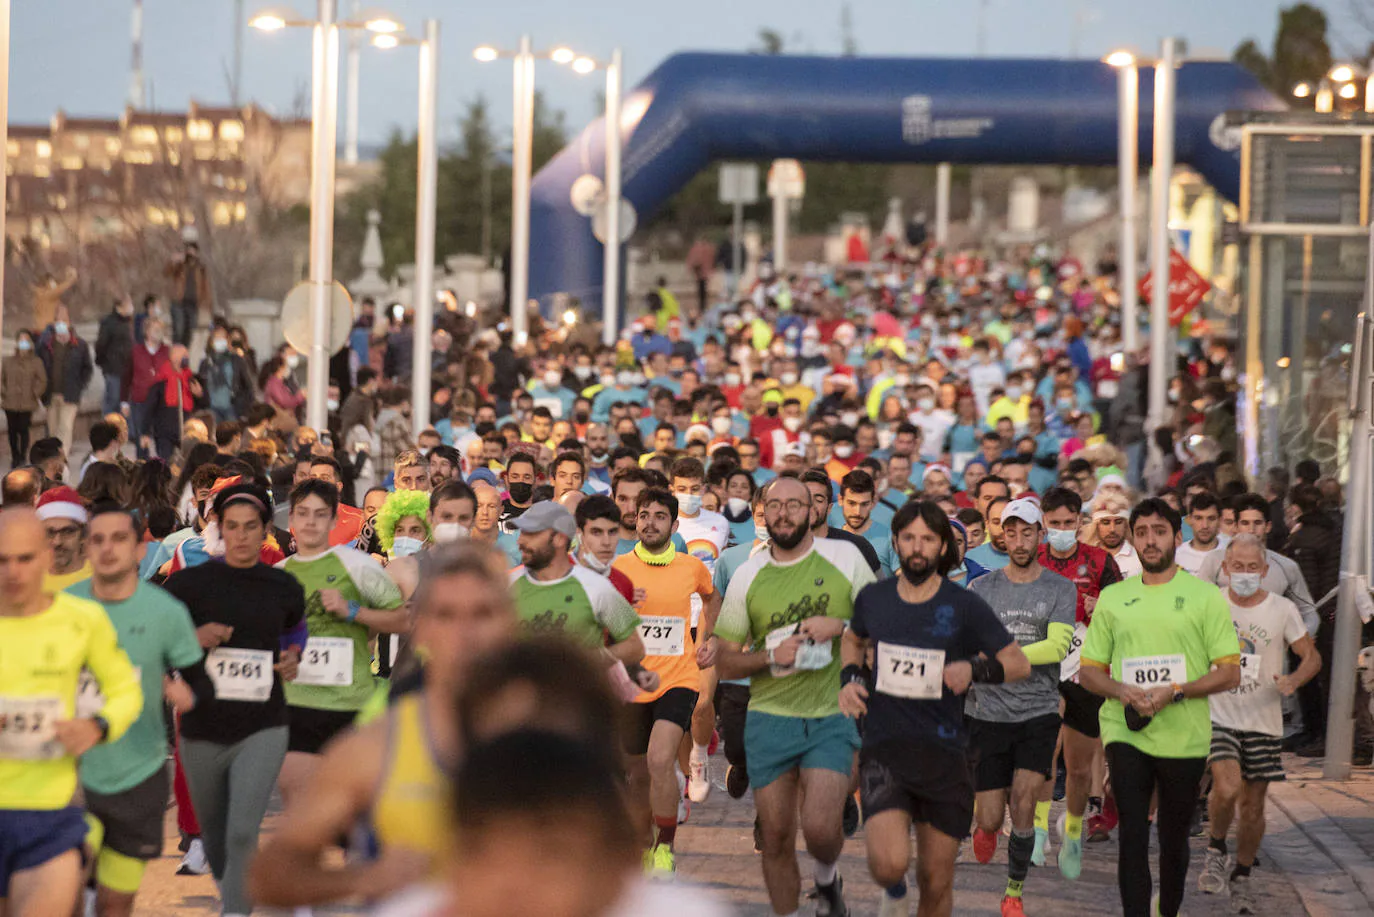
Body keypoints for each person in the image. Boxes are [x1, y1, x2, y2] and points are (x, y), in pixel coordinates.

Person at [249, 543, 520, 908]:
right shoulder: (373, 749)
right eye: (446, 615)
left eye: (483, 613)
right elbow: (271, 874)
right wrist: (366, 877)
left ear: (510, 623)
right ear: (419, 627)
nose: (465, 632)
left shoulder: (554, 735)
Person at [837, 500, 1030, 917]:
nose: (917, 547)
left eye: (927, 538)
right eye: (909, 538)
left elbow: (1018, 662)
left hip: (946, 757)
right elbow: (852, 640)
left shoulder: (964, 605)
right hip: (885, 752)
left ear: (943, 546)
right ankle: (893, 892)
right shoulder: (874, 598)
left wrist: (974, 668)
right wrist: (850, 679)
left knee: (936, 881)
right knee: (887, 864)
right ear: (896, 543)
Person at [716, 476, 877, 917]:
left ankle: (827, 882)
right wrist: (769, 654)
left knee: (823, 829)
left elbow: (883, 623)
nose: (784, 512)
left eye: (795, 504)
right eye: (775, 505)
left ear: (813, 511)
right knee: (775, 838)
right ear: (762, 513)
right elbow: (726, 663)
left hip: (830, 714)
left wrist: (841, 628)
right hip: (769, 716)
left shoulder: (846, 557)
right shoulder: (747, 575)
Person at [1078, 497, 1242, 917]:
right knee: (1133, 833)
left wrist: (1178, 690)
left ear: (1177, 535)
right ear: (1133, 538)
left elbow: (1229, 672)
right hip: (1125, 728)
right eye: (1143, 532)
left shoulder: (1204, 597)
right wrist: (1121, 691)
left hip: (1183, 733)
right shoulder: (1114, 598)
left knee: (1172, 839)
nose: (1151, 540)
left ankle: (1166, 910)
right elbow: (1089, 672)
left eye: (1160, 531)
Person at [162, 482, 307, 917]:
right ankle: (234, 896)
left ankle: (236, 911)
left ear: (266, 529)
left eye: (250, 527)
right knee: (218, 833)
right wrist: (194, 638)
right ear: (218, 529)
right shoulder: (188, 584)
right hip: (203, 726)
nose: (241, 536)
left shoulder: (282, 584)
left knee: (243, 830)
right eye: (232, 526)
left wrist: (293, 655)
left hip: (263, 724)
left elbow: (295, 630)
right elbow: (157, 639)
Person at [0, 509, 141, 917]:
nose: (13, 571)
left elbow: (124, 691)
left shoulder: (82, 619)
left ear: (46, 556)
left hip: (50, 816)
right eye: (2, 560)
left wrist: (97, 725)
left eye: (24, 558)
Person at [67, 505, 206, 917]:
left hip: (140, 774)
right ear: (87, 548)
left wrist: (179, 691)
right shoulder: (64, 607)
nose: (108, 549)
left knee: (116, 901)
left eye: (119, 539)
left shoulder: (166, 611)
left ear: (141, 550)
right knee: (67, 884)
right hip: (70, 773)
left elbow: (196, 679)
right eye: (98, 540)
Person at [1196, 535, 1321, 914]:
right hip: (1219, 714)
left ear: (1265, 572)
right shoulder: (1210, 604)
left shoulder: (1281, 609)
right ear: (1225, 569)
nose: (1245, 574)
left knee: (1253, 807)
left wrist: (1293, 681)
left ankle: (1242, 875)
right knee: (1228, 785)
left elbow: (1311, 658)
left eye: (1253, 568)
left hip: (1264, 720)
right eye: (1238, 567)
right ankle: (1216, 847)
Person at [966, 499, 1076, 914]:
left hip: (1038, 709)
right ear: (1002, 536)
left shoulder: (1059, 588)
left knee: (1025, 801)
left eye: (1027, 531)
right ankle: (986, 826)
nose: (1018, 540)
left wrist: (1000, 657)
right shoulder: (982, 588)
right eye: (1010, 532)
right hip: (987, 712)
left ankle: (1013, 891)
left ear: (1040, 535)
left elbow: (1057, 646)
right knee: (992, 817)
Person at [276, 479, 406, 807]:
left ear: (334, 521)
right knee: (300, 811)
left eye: (320, 515)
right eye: (303, 513)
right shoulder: (277, 575)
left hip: (349, 704)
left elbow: (402, 619)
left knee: (351, 814)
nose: (310, 522)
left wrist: (353, 611)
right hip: (296, 704)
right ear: (290, 519)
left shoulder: (357, 566)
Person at [613, 488, 717, 876]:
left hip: (679, 678)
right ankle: (642, 843)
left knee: (659, 759)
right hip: (631, 681)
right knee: (637, 773)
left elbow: (711, 599)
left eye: (659, 516)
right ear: (635, 520)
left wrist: (707, 639)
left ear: (674, 525)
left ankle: (664, 848)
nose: (650, 522)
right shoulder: (618, 566)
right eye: (643, 515)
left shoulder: (692, 566)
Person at [1037, 486, 1122, 861]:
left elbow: (1123, 616)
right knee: (1044, 754)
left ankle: (1071, 829)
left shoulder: (1102, 562)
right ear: (1043, 522)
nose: (1061, 529)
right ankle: (1037, 832)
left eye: (1068, 523)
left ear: (1079, 522)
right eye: (1053, 523)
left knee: (1078, 767)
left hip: (1085, 671)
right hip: (1044, 669)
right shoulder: (1033, 559)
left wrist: (1100, 607)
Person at [666, 457, 730, 804]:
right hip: (672, 623)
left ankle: (700, 755)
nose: (688, 495)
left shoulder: (719, 523)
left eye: (694, 490)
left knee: (703, 704)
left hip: (706, 620)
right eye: (681, 489)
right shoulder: (667, 526)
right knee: (676, 706)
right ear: (671, 488)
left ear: (704, 488)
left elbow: (721, 576)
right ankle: (684, 773)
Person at [509, 501, 643, 656]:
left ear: (559, 539)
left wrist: (589, 665)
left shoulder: (599, 587)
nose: (520, 541)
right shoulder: (505, 584)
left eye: (531, 534)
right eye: (522, 533)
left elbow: (634, 646)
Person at [37, 316, 93, 452]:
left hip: (70, 395)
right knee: (52, 429)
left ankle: (62, 457)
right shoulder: (46, 345)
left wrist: (80, 385)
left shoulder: (80, 345)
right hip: (50, 394)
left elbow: (87, 368)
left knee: (65, 427)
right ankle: (53, 456)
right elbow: (38, 366)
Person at [3, 329, 47, 467]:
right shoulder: (8, 361)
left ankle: (22, 455)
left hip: (27, 402)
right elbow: (1, 379)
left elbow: (42, 380)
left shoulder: (36, 362)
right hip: (10, 402)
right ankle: (14, 455)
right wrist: (4, 391)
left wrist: (35, 392)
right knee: (12, 430)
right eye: (20, 340)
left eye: (26, 340)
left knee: (23, 429)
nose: (23, 343)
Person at [37, 485, 93, 591]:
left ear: (82, 535)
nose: (57, 542)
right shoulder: (26, 580)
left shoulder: (99, 578)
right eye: (50, 532)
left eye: (67, 532)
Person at [165, 240, 212, 347]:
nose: (190, 254)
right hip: (179, 302)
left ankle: (184, 353)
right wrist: (174, 261)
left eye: (193, 251)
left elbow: (205, 287)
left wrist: (207, 305)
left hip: (193, 303)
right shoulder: (180, 265)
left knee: (191, 332)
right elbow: (167, 272)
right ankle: (175, 350)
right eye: (188, 251)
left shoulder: (201, 268)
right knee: (179, 329)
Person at [94, 296, 135, 417]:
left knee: (124, 402)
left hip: (127, 370)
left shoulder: (127, 322)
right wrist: (103, 363)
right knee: (112, 401)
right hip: (113, 369)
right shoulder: (109, 322)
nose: (131, 307)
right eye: (128, 304)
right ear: (119, 306)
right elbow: (101, 345)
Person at [1175, 491, 1223, 575]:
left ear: (1220, 520)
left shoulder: (1231, 553)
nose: (1205, 525)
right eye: (1198, 518)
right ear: (1189, 520)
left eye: (1211, 518)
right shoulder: (1176, 556)